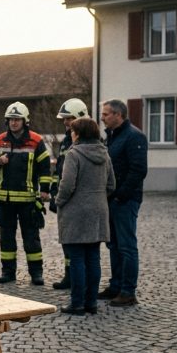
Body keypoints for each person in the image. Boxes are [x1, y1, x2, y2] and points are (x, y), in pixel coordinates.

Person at [0, 102, 52, 285]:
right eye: (11, 120)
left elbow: (45, 168)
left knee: (31, 238)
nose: (14, 123)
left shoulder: (36, 141)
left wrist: (45, 190)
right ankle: (8, 272)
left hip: (28, 200)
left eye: (17, 119)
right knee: (6, 239)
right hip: (4, 201)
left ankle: (36, 273)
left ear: (25, 121)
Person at [55, 118, 115, 315]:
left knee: (77, 258)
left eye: (72, 131)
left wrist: (59, 201)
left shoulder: (74, 154)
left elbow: (67, 185)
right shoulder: (104, 153)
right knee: (93, 258)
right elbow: (111, 185)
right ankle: (91, 303)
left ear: (78, 134)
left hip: (76, 212)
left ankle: (77, 303)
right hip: (98, 211)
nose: (71, 135)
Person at [99, 99, 148, 307]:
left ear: (118, 115)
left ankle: (128, 291)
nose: (102, 118)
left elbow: (138, 170)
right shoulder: (112, 136)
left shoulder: (134, 136)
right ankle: (116, 285)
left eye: (106, 114)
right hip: (112, 199)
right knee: (114, 245)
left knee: (127, 246)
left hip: (125, 200)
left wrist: (120, 195)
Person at [50, 98, 90, 290]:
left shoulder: (87, 142)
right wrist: (53, 192)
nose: (65, 122)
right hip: (65, 200)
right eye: (64, 119)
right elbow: (59, 170)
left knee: (79, 243)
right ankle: (70, 276)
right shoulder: (67, 141)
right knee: (67, 240)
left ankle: (78, 280)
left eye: (69, 118)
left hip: (77, 200)